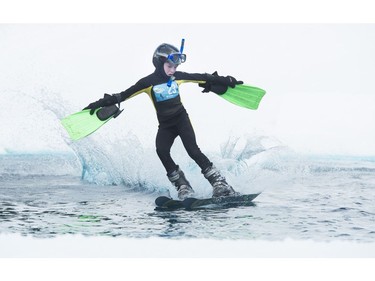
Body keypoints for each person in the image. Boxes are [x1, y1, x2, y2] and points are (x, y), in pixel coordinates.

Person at [84, 41, 243, 199]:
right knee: (161, 150)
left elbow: (202, 77)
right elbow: (123, 95)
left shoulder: (177, 77)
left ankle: (220, 183)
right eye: (169, 66)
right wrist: (100, 103)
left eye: (175, 67)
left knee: (193, 151)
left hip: (181, 120)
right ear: (160, 64)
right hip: (166, 126)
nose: (172, 70)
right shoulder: (147, 83)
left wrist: (226, 80)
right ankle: (183, 186)